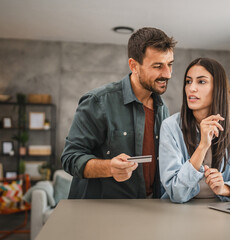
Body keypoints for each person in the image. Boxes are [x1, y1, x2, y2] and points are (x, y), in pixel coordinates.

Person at [61, 27, 176, 199]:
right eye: (158, 66)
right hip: (101, 213)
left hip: (150, 208)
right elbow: (70, 158)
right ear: (134, 66)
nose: (167, 74)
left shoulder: (162, 108)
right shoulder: (98, 101)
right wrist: (109, 168)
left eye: (170, 64)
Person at [159, 57, 230, 203]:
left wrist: (224, 188)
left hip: (220, 212)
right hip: (179, 213)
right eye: (188, 81)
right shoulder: (170, 127)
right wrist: (203, 146)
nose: (192, 88)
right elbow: (175, 192)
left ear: (217, 88)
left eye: (201, 81)